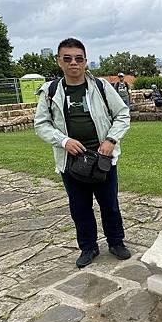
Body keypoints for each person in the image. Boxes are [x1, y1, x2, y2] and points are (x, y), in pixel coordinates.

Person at [34, 38, 131, 268]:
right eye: (67, 59)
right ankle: (88, 247)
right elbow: (41, 124)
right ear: (59, 61)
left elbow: (122, 114)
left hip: (102, 158)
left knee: (110, 204)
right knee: (79, 207)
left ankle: (116, 242)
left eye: (78, 58)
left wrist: (111, 139)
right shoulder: (51, 91)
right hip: (71, 160)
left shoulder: (101, 87)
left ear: (86, 61)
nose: (73, 63)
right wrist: (63, 140)